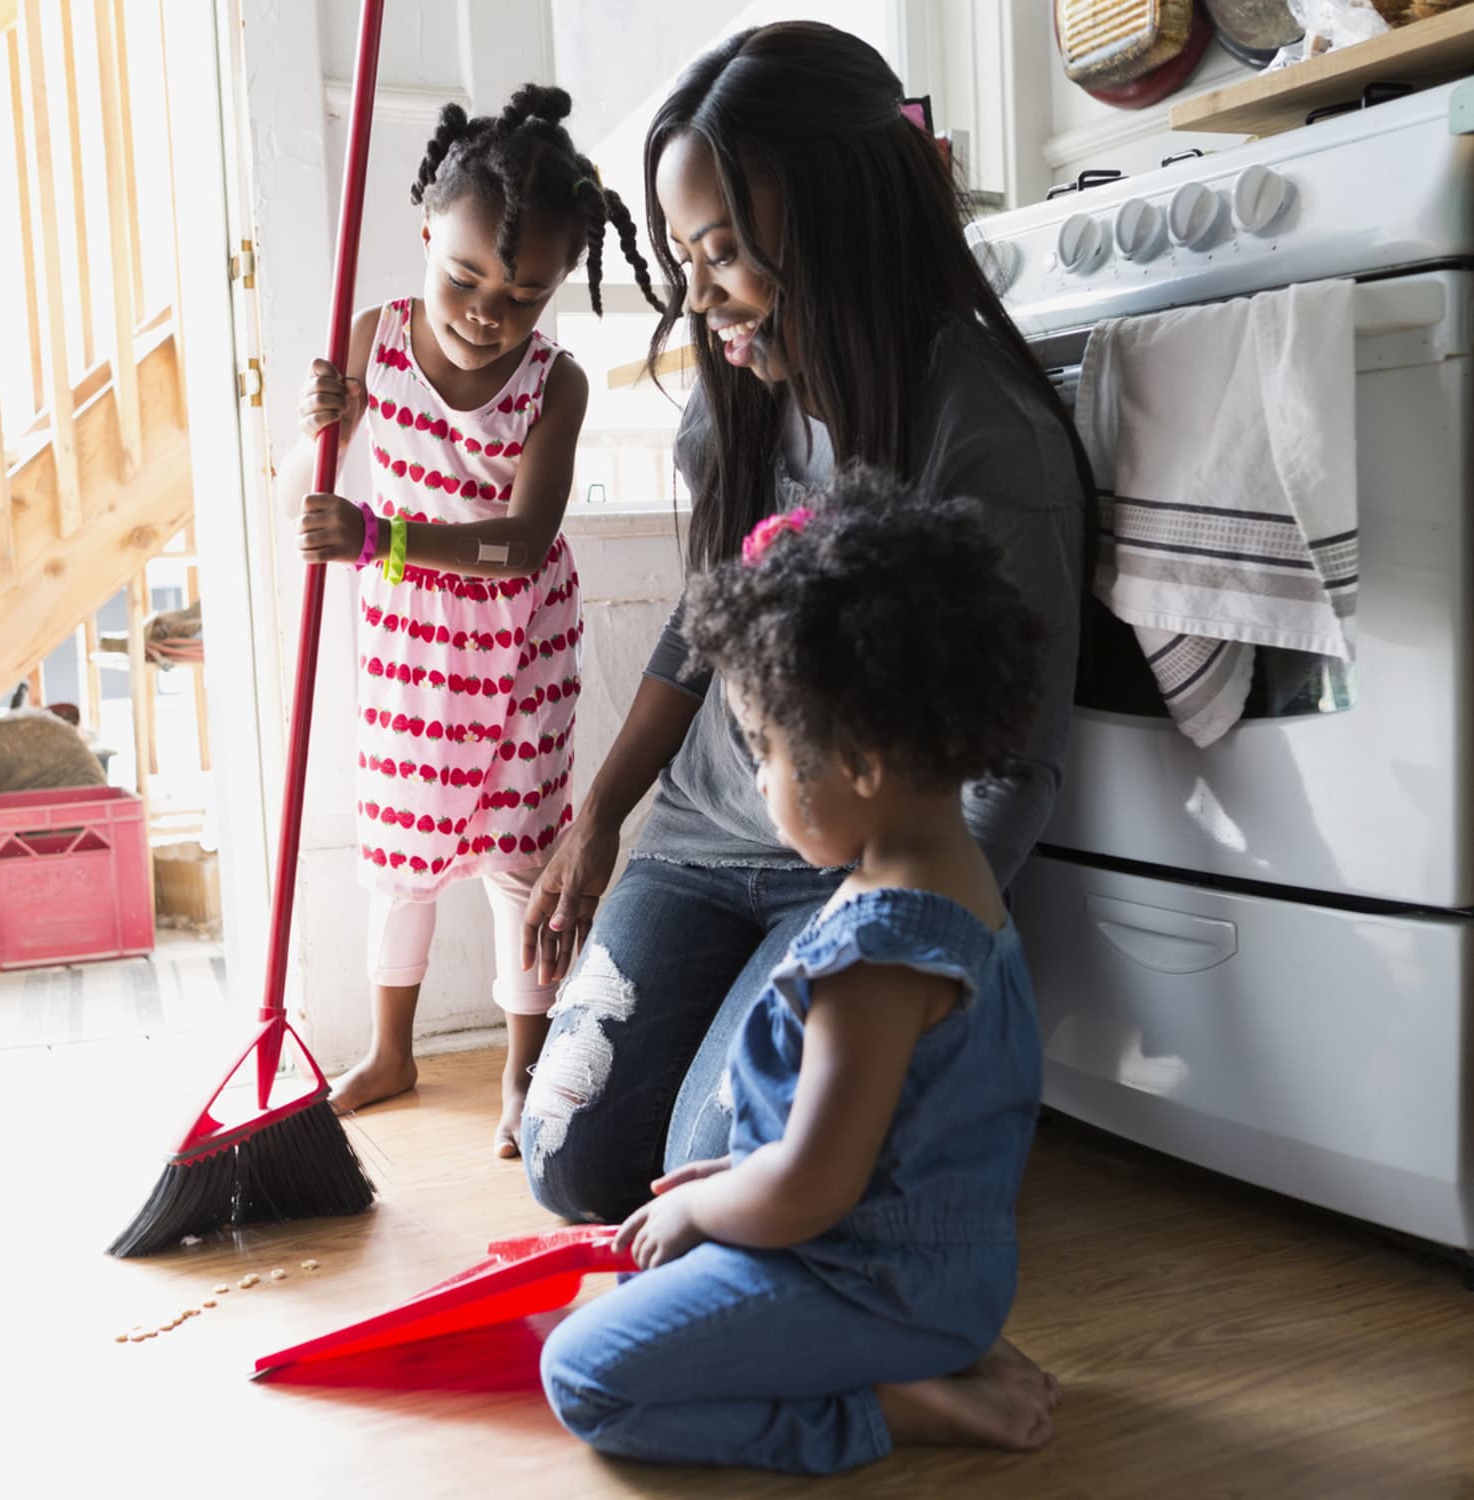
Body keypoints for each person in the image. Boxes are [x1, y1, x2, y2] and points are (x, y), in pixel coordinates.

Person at [519, 23, 1092, 1218]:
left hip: (856, 862)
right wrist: (600, 821)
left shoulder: (983, 439)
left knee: (715, 1175)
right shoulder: (737, 407)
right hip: (701, 842)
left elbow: (1012, 768)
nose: (700, 298)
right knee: (570, 1157)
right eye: (684, 258)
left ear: (842, 220)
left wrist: (892, 956)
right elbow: (700, 629)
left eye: (724, 254)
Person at [541, 471, 1060, 1474]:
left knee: (585, 1374)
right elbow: (896, 1137)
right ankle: (945, 1353)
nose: (765, 786)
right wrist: (732, 1179)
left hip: (871, 1284)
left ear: (860, 760)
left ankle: (888, 1408)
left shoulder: (873, 950)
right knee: (655, 1271)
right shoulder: (964, 891)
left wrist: (707, 1204)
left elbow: (814, 1191)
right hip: (946, 1274)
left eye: (767, 752)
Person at [284, 85, 662, 1154]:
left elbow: (527, 539)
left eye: (525, 293)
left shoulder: (557, 384)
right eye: (463, 276)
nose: (489, 309)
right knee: (400, 855)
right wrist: (319, 428)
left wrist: (381, 539)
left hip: (516, 654)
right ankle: (393, 1049)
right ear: (424, 237)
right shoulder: (371, 339)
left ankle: (522, 1068)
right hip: (407, 651)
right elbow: (299, 495)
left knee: (515, 860)